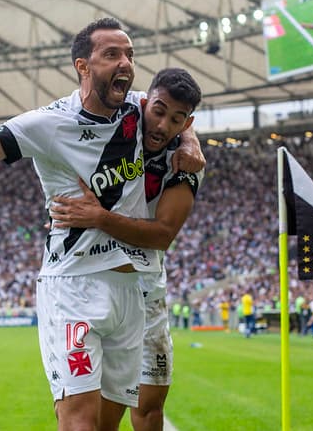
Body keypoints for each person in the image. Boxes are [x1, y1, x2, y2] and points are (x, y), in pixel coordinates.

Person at [0, 17, 205, 431]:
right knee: (79, 422)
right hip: (74, 286)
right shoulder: (48, 124)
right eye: (111, 54)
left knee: (106, 424)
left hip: (131, 293)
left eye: (129, 54)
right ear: (82, 66)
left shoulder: (142, 110)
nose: (125, 62)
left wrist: (191, 142)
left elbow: (178, 120)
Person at [47, 67, 203, 431]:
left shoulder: (186, 162)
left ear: (187, 122)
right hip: (93, 285)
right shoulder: (119, 119)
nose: (164, 125)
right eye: (159, 112)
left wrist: (191, 140)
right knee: (87, 411)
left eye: (178, 120)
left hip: (148, 291)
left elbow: (163, 234)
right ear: (145, 103)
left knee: (149, 408)